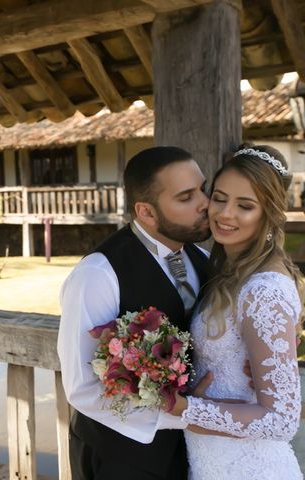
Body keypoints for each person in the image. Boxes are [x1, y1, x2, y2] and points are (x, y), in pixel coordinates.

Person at [58, 146, 211, 480]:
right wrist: (188, 415)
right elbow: (83, 388)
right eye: (186, 197)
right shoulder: (98, 274)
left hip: (195, 454)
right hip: (122, 459)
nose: (205, 203)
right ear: (146, 212)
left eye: (203, 189)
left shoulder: (202, 259)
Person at [168, 144, 304, 479]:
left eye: (245, 206)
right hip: (212, 462)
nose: (225, 214)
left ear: (268, 213)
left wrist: (187, 409)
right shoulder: (228, 270)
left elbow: (283, 419)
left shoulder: (263, 291)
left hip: (251, 468)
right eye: (219, 197)